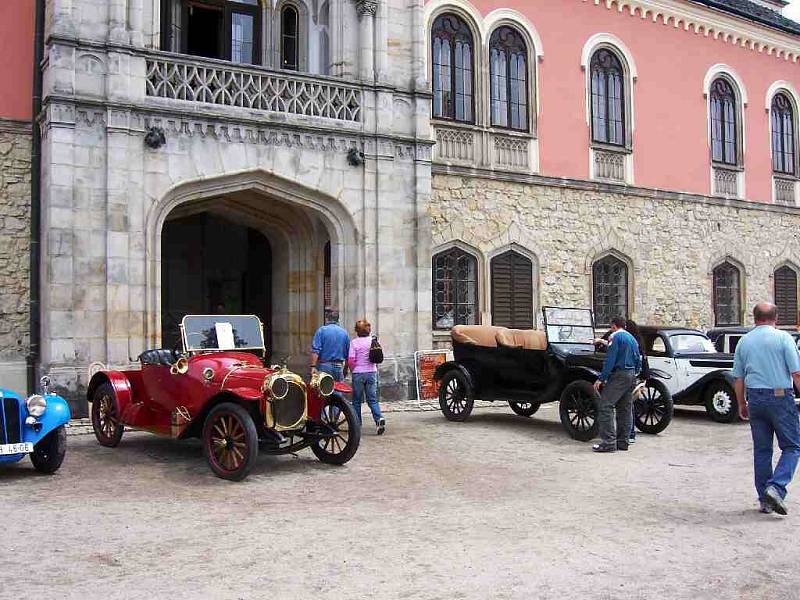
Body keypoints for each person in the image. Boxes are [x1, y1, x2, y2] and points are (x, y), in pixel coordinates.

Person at [733, 302, 800, 515]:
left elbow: (738, 377)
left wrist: (742, 403)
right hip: (780, 396)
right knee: (792, 446)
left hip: (755, 397)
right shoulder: (783, 338)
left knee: (762, 450)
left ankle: (765, 499)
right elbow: (796, 373)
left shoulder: (744, 341)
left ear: (754, 318)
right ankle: (777, 487)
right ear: (776, 318)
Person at [592, 316, 641, 453]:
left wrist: (601, 378)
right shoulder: (632, 338)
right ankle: (623, 441)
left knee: (605, 405)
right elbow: (638, 357)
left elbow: (610, 359)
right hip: (631, 374)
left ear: (613, 326)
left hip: (619, 374)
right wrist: (636, 373)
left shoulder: (615, 337)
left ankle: (608, 442)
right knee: (625, 408)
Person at [348, 319, 385, 435]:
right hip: (371, 372)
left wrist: (352, 369)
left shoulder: (354, 343)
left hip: (358, 373)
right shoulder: (372, 341)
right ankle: (379, 418)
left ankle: (357, 424)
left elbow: (350, 360)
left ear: (357, 331)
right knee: (372, 399)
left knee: (356, 401)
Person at [310, 309, 350, 382]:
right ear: (338, 319)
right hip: (339, 366)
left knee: (325, 390)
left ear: (327, 318)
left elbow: (315, 350)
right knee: (338, 391)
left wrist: (313, 366)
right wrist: (346, 368)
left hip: (324, 366)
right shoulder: (344, 333)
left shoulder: (321, 330)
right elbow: (348, 354)